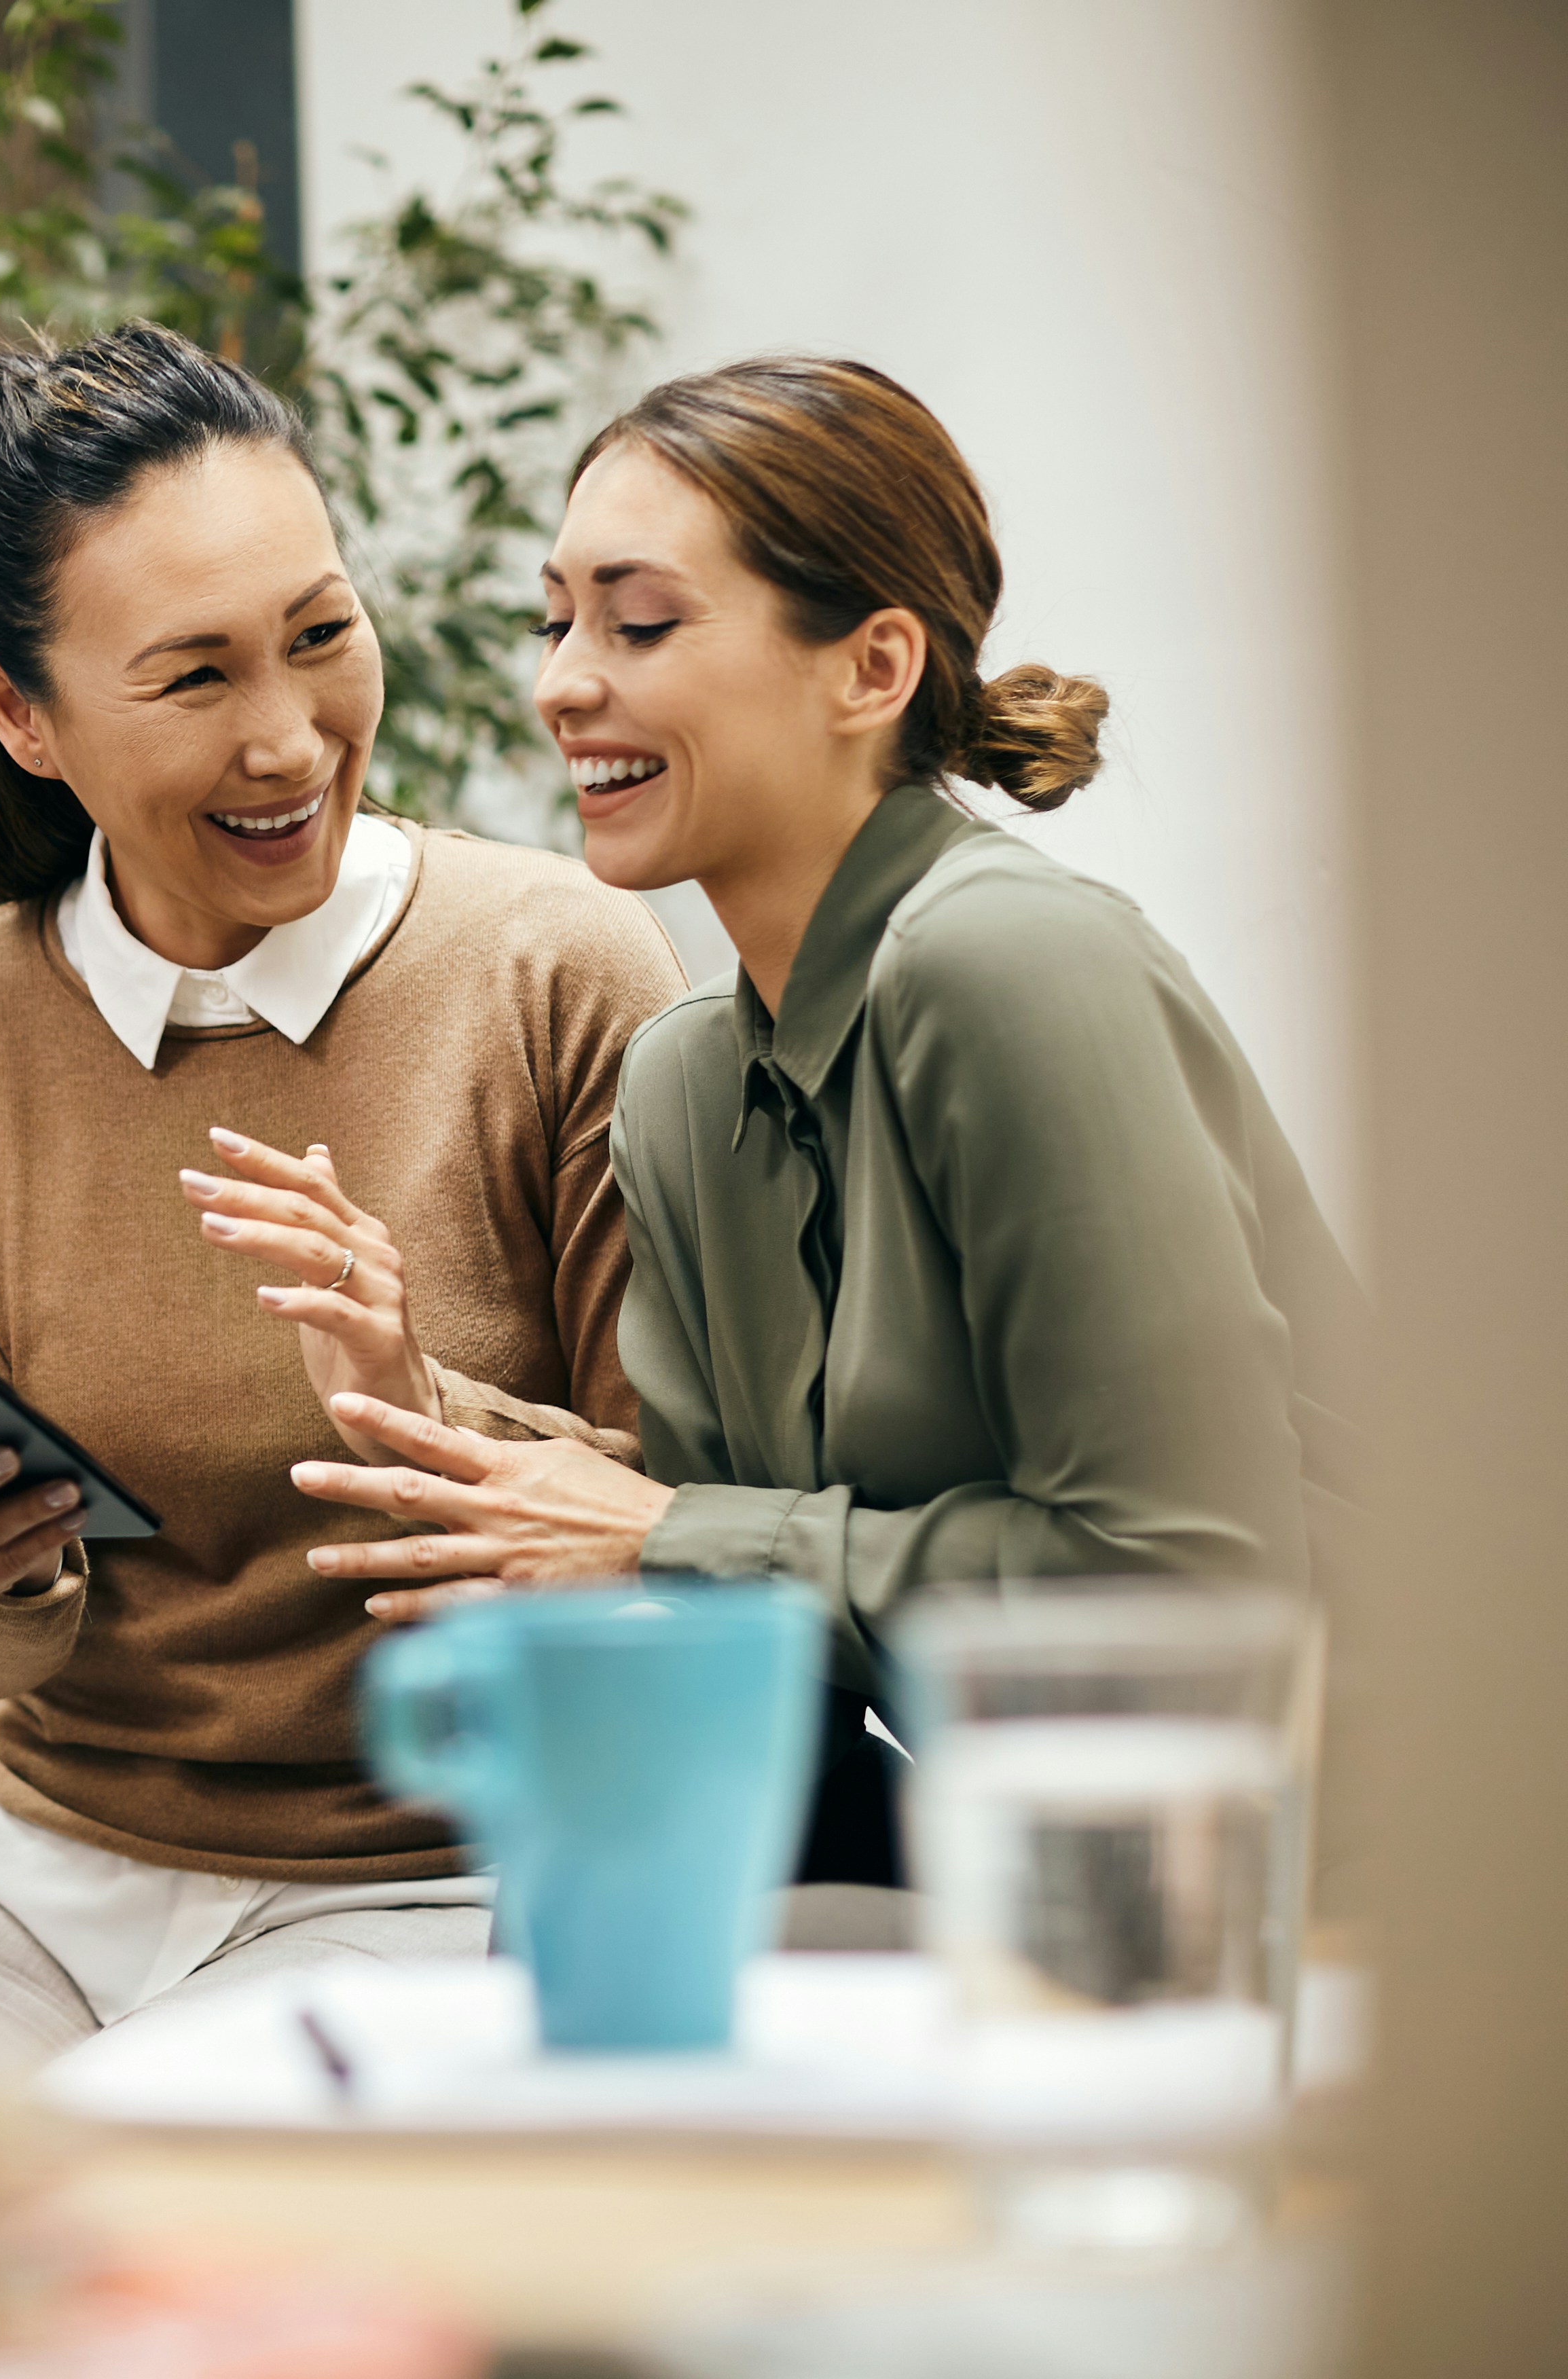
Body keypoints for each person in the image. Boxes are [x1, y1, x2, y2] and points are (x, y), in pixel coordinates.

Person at [0, 324, 686, 2117]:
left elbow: (653, 1552)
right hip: (27, 1879)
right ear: (18, 714)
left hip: (426, 1884)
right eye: (194, 675)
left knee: (109, 2239)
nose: (288, 736)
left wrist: (404, 1396)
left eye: (320, 635)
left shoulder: (555, 969)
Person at [286, 359, 1367, 1832]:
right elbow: (724, 1560)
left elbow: (1190, 1581)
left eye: (641, 621)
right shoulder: (681, 1089)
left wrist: (673, 1539)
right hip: (1021, 1850)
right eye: (556, 621)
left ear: (875, 668)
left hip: (1355, 1872)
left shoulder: (1010, 966)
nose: (562, 683)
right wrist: (419, 1408)